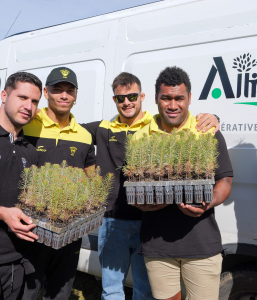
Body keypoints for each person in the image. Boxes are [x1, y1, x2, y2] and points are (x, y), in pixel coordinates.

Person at [82, 71, 220, 300]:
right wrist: (87, 173)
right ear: (114, 100)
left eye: (132, 96)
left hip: (146, 221)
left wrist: (214, 117)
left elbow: (187, 124)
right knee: (111, 288)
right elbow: (69, 134)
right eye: (120, 98)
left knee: (144, 291)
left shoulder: (155, 126)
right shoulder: (104, 127)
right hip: (112, 220)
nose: (127, 102)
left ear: (143, 96)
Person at [132, 66, 233, 300]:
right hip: (157, 246)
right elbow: (134, 189)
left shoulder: (206, 131)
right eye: (166, 98)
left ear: (189, 98)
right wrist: (145, 203)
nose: (173, 105)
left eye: (179, 98)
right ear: (156, 98)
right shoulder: (140, 137)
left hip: (202, 245)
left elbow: (225, 180)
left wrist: (208, 203)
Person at [22, 67, 96, 300]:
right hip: (30, 229)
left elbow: (91, 176)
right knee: (27, 290)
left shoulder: (84, 134)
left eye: (69, 91)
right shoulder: (28, 125)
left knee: (60, 292)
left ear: (76, 95)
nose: (64, 95)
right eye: (57, 90)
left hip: (68, 231)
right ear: (46, 92)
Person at [0, 72, 42, 300]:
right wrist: (2, 213)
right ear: (4, 95)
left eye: (35, 101)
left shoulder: (30, 150)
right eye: (22, 97)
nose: (29, 106)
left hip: (15, 260)